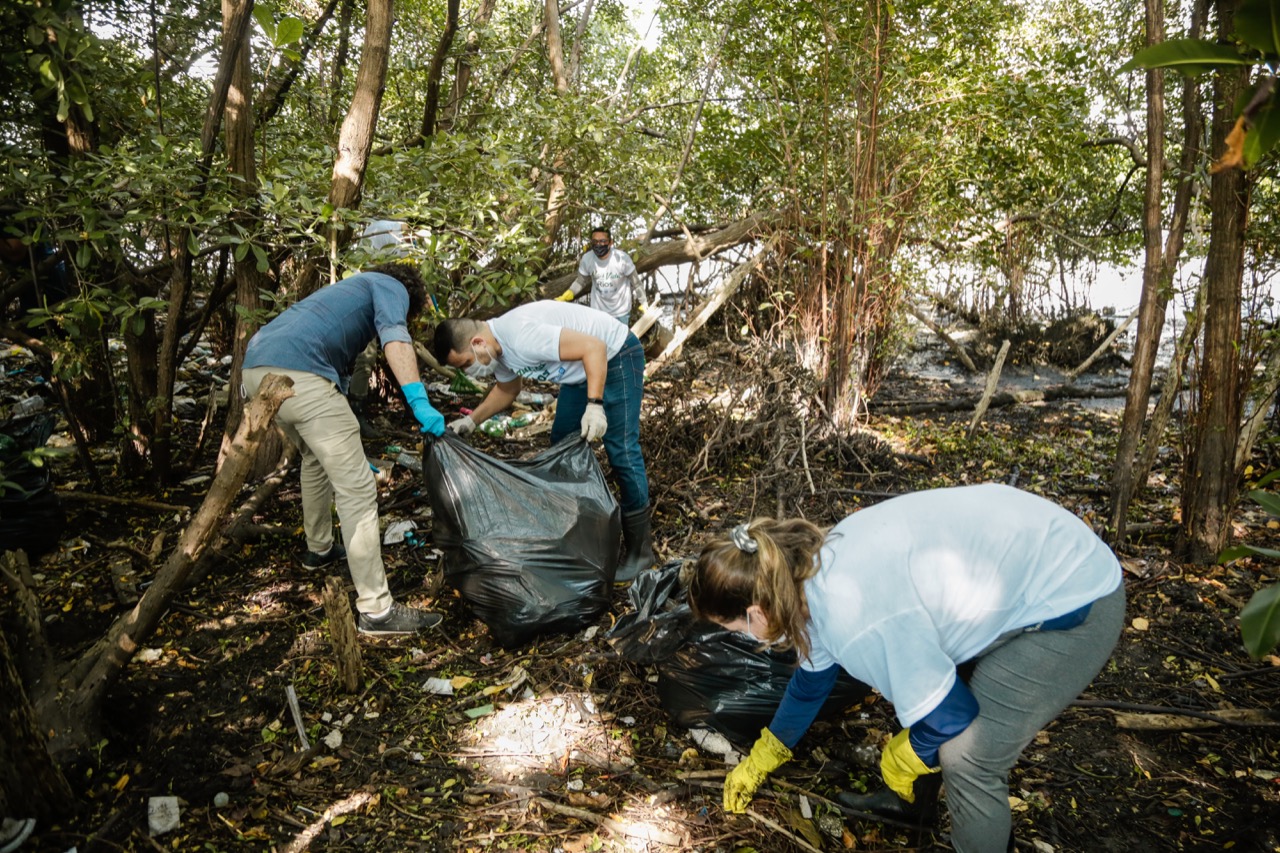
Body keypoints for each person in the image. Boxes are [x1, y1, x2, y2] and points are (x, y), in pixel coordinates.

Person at [687, 484, 1125, 853]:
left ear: (756, 613)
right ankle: (915, 809)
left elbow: (952, 715)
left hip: (1076, 601)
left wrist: (904, 755)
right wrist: (765, 756)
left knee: (966, 757)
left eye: (731, 627)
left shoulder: (857, 621)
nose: (740, 637)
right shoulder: (803, 573)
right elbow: (811, 682)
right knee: (918, 692)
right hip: (1030, 563)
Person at [243, 262, 446, 636]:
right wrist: (418, 400)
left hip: (255, 372)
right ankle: (377, 610)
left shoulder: (344, 293)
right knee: (357, 489)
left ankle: (318, 549)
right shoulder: (390, 286)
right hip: (300, 375)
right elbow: (395, 337)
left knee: (313, 460)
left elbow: (340, 366)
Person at [432, 301, 655, 583]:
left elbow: (594, 347)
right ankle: (580, 533)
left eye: (466, 363)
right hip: (580, 372)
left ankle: (640, 551)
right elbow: (508, 389)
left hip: (615, 354)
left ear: (477, 343)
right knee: (562, 444)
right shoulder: (496, 352)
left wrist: (595, 405)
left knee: (621, 448)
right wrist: (472, 420)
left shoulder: (521, 336)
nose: (468, 371)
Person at [555, 227, 644, 324]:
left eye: (602, 241)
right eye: (595, 241)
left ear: (610, 242)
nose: (598, 244)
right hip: (598, 312)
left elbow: (636, 283)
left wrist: (644, 302)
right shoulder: (587, 259)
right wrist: (569, 293)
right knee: (598, 339)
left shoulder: (621, 259)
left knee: (620, 339)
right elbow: (580, 281)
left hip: (620, 312)